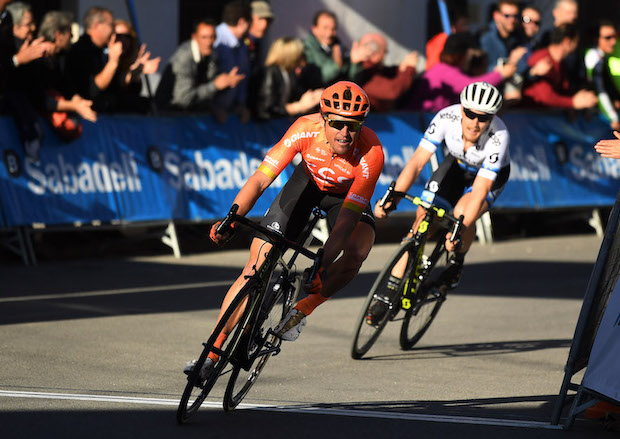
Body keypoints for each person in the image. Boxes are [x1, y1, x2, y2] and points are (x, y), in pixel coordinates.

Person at [185, 81, 384, 378]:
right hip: (306, 183)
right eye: (338, 124)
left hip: (344, 197)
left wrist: (322, 263)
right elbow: (260, 179)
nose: (345, 133)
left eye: (353, 126)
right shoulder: (304, 128)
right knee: (256, 265)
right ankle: (211, 354)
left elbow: (344, 225)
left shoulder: (371, 154)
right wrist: (232, 218)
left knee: (358, 249)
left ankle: (305, 307)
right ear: (324, 119)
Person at [374, 82, 510, 302]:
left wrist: (459, 230)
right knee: (422, 220)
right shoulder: (447, 117)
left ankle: (456, 264)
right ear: (461, 109)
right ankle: (389, 290)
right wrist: (394, 198)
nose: (475, 123)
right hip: (456, 166)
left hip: (487, 178)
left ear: (492, 118)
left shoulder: (499, 136)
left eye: (483, 118)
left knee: (462, 215)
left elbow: (480, 190)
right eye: (470, 114)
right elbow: (418, 162)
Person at [405, 32, 515, 112]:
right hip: (421, 123)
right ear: (462, 55)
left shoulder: (445, 69)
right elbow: (470, 86)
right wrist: (500, 74)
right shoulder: (444, 70)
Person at [155, 18, 245, 112]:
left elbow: (207, 92)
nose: (209, 42)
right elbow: (183, 99)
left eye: (212, 37)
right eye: (204, 37)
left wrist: (227, 84)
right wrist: (215, 85)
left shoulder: (212, 55)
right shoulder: (184, 58)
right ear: (194, 37)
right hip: (170, 116)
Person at [522, 24, 597, 110]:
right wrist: (573, 102)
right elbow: (545, 97)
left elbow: (563, 92)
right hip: (531, 117)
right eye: (576, 42)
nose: (576, 47)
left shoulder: (561, 65)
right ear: (567, 42)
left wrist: (574, 104)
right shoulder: (542, 59)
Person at [65, 6, 121, 112]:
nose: (114, 30)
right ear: (96, 25)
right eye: (111, 25)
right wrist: (113, 62)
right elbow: (93, 90)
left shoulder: (101, 50)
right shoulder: (81, 51)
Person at [252, 36, 322, 120]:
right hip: (267, 128)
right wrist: (296, 107)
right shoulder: (271, 72)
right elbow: (264, 109)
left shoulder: (289, 74)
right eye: (299, 55)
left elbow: (298, 96)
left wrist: (313, 97)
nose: (302, 60)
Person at [300, 10, 370, 89]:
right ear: (314, 29)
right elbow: (318, 79)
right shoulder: (305, 49)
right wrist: (337, 64)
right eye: (325, 28)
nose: (329, 33)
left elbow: (353, 82)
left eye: (333, 29)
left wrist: (355, 64)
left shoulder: (340, 48)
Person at [354, 32, 418, 112]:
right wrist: (409, 69)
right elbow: (392, 91)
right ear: (375, 54)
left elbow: (388, 72)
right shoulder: (364, 72)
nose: (384, 56)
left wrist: (401, 68)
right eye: (385, 52)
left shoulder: (375, 69)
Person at [213, 0, 252, 122]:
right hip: (210, 115)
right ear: (242, 22)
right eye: (249, 24)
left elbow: (242, 77)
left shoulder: (241, 44)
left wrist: (240, 106)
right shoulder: (215, 40)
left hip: (229, 113)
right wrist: (213, 107)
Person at [585, 20, 620, 131]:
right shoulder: (594, 57)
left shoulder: (604, 56)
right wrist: (613, 117)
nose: (613, 41)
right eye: (608, 37)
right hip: (597, 119)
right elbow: (600, 91)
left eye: (615, 36)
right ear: (597, 39)